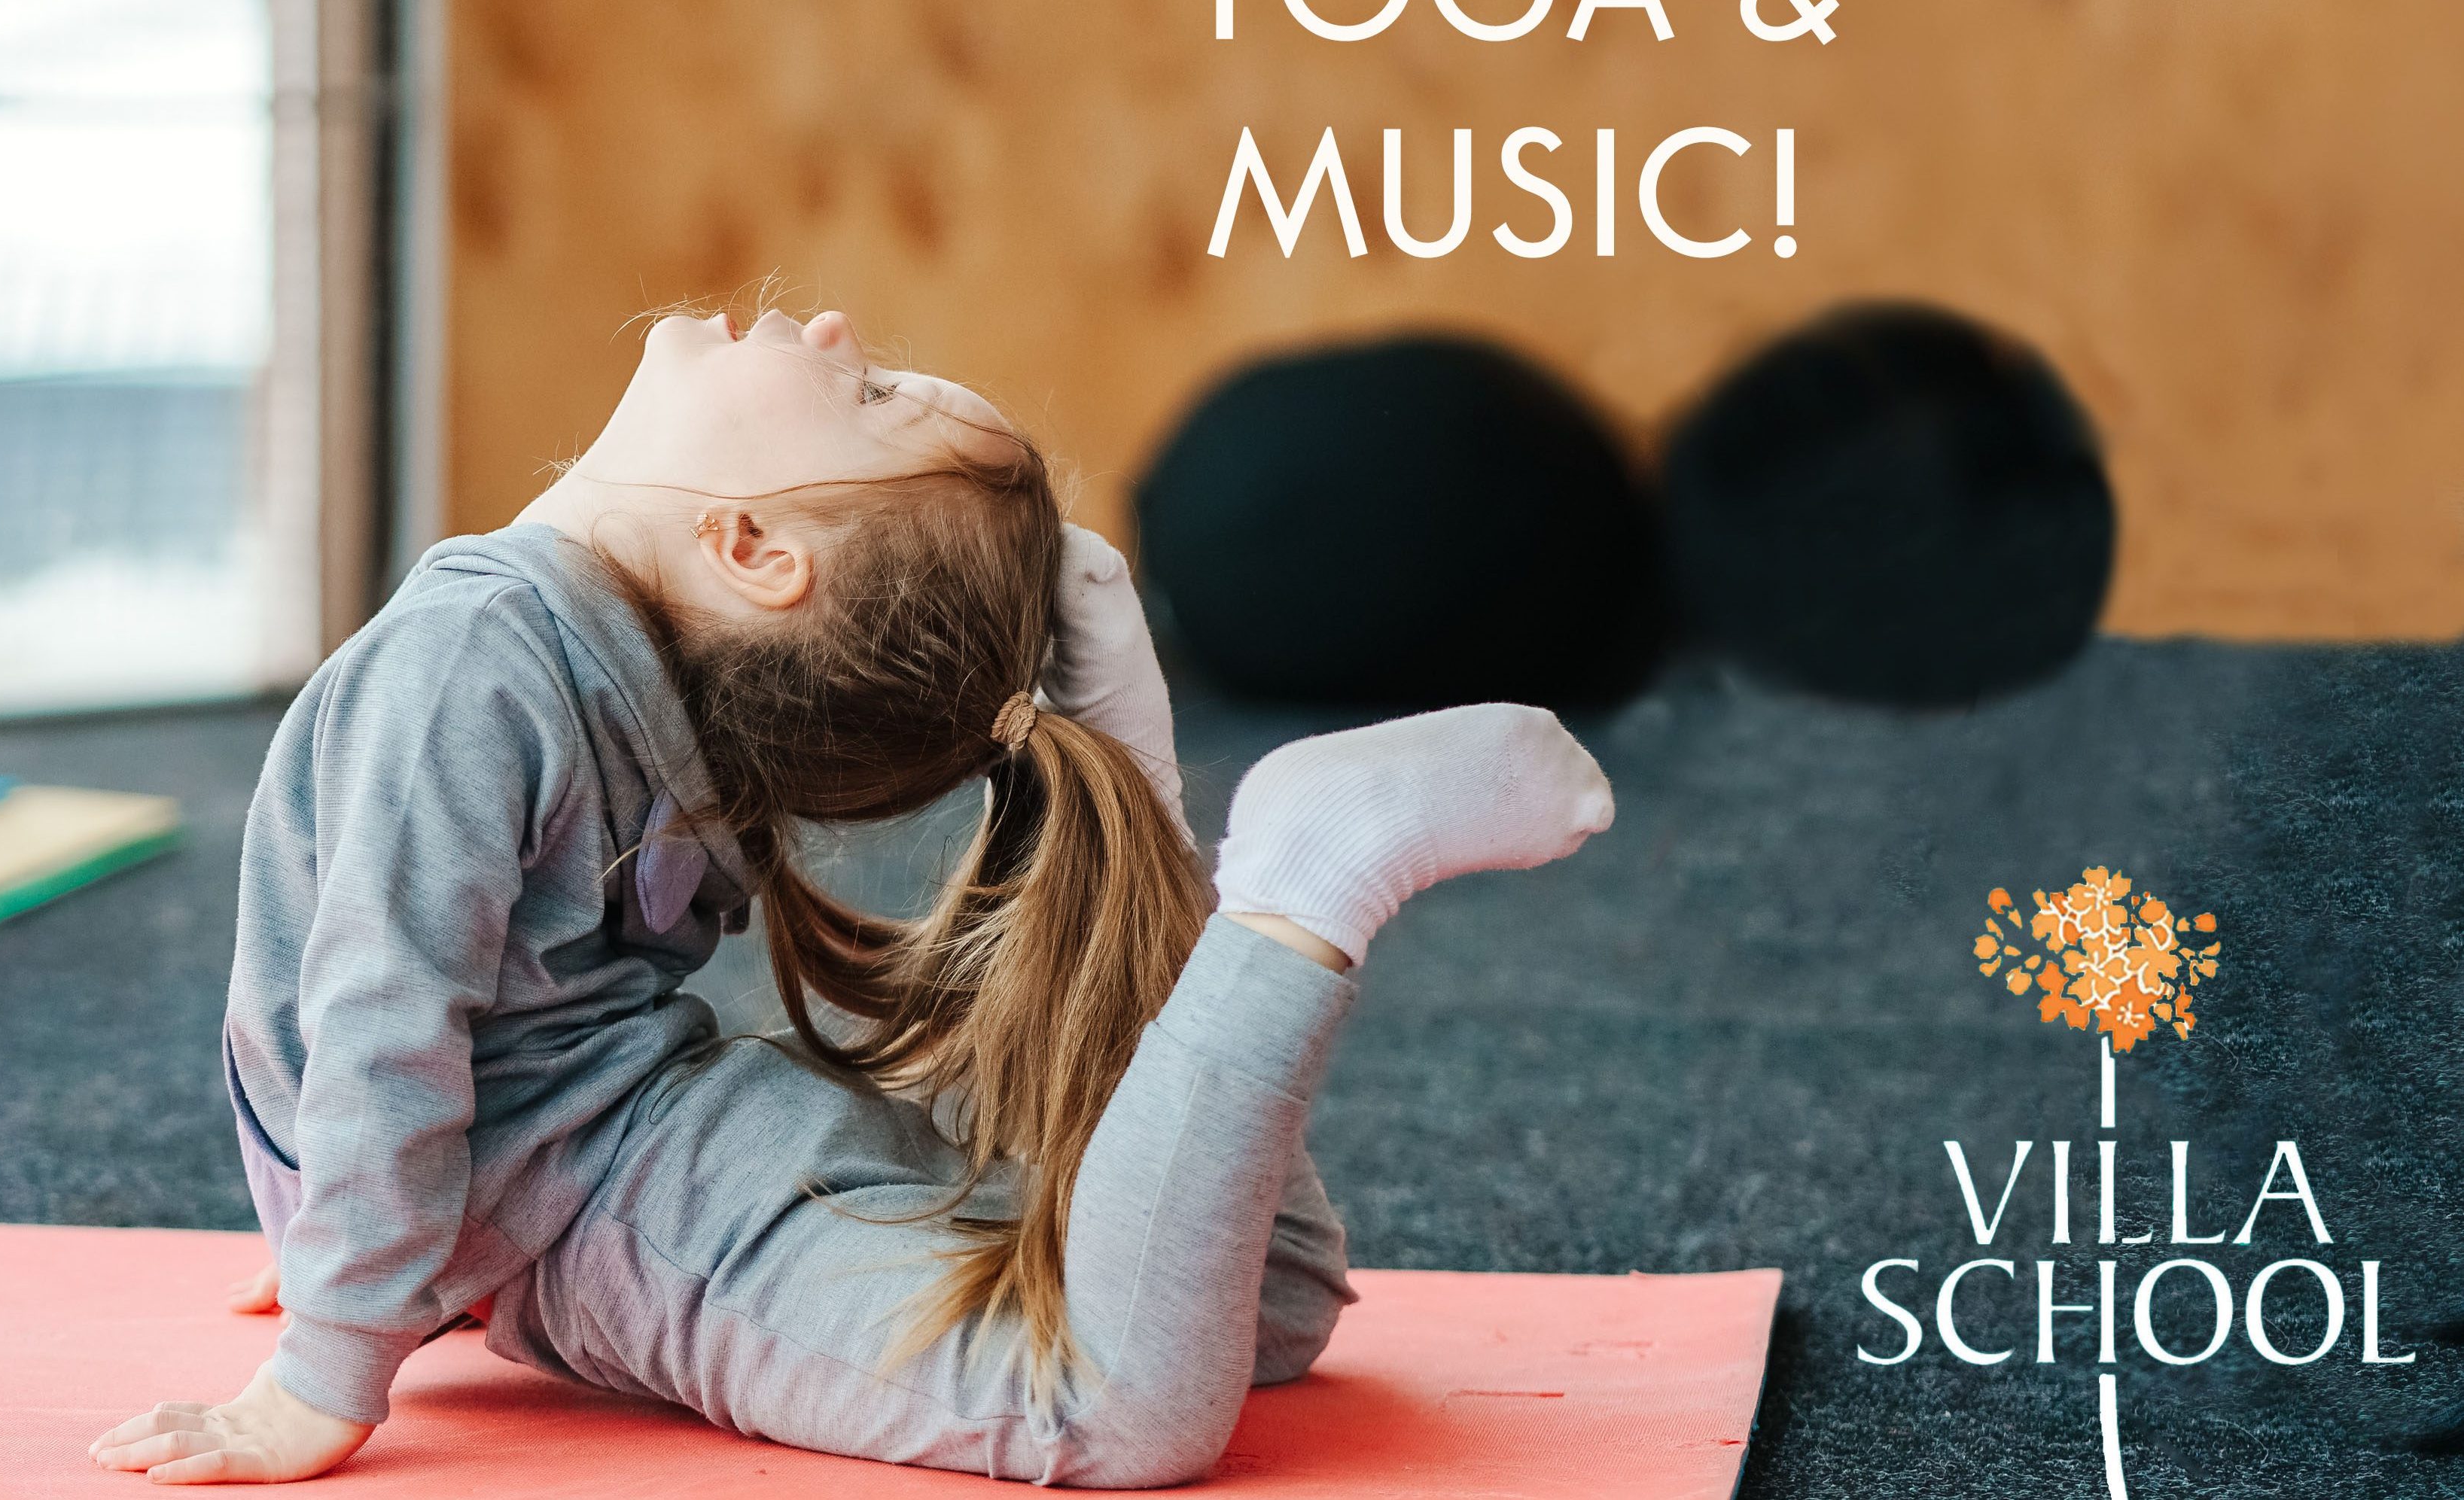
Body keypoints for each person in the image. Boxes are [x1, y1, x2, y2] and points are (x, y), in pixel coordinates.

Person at [92, 306, 1614, 1486]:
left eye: (871, 395)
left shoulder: (474, 662)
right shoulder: (602, 660)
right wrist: (363, 1257)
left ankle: (1303, 892)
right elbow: (434, 1006)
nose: (832, 335)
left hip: (622, 1204)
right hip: (634, 1150)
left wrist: (326, 1365)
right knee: (1260, 1314)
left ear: (751, 547)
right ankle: (1161, 805)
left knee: (1125, 1406)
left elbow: (378, 1020)